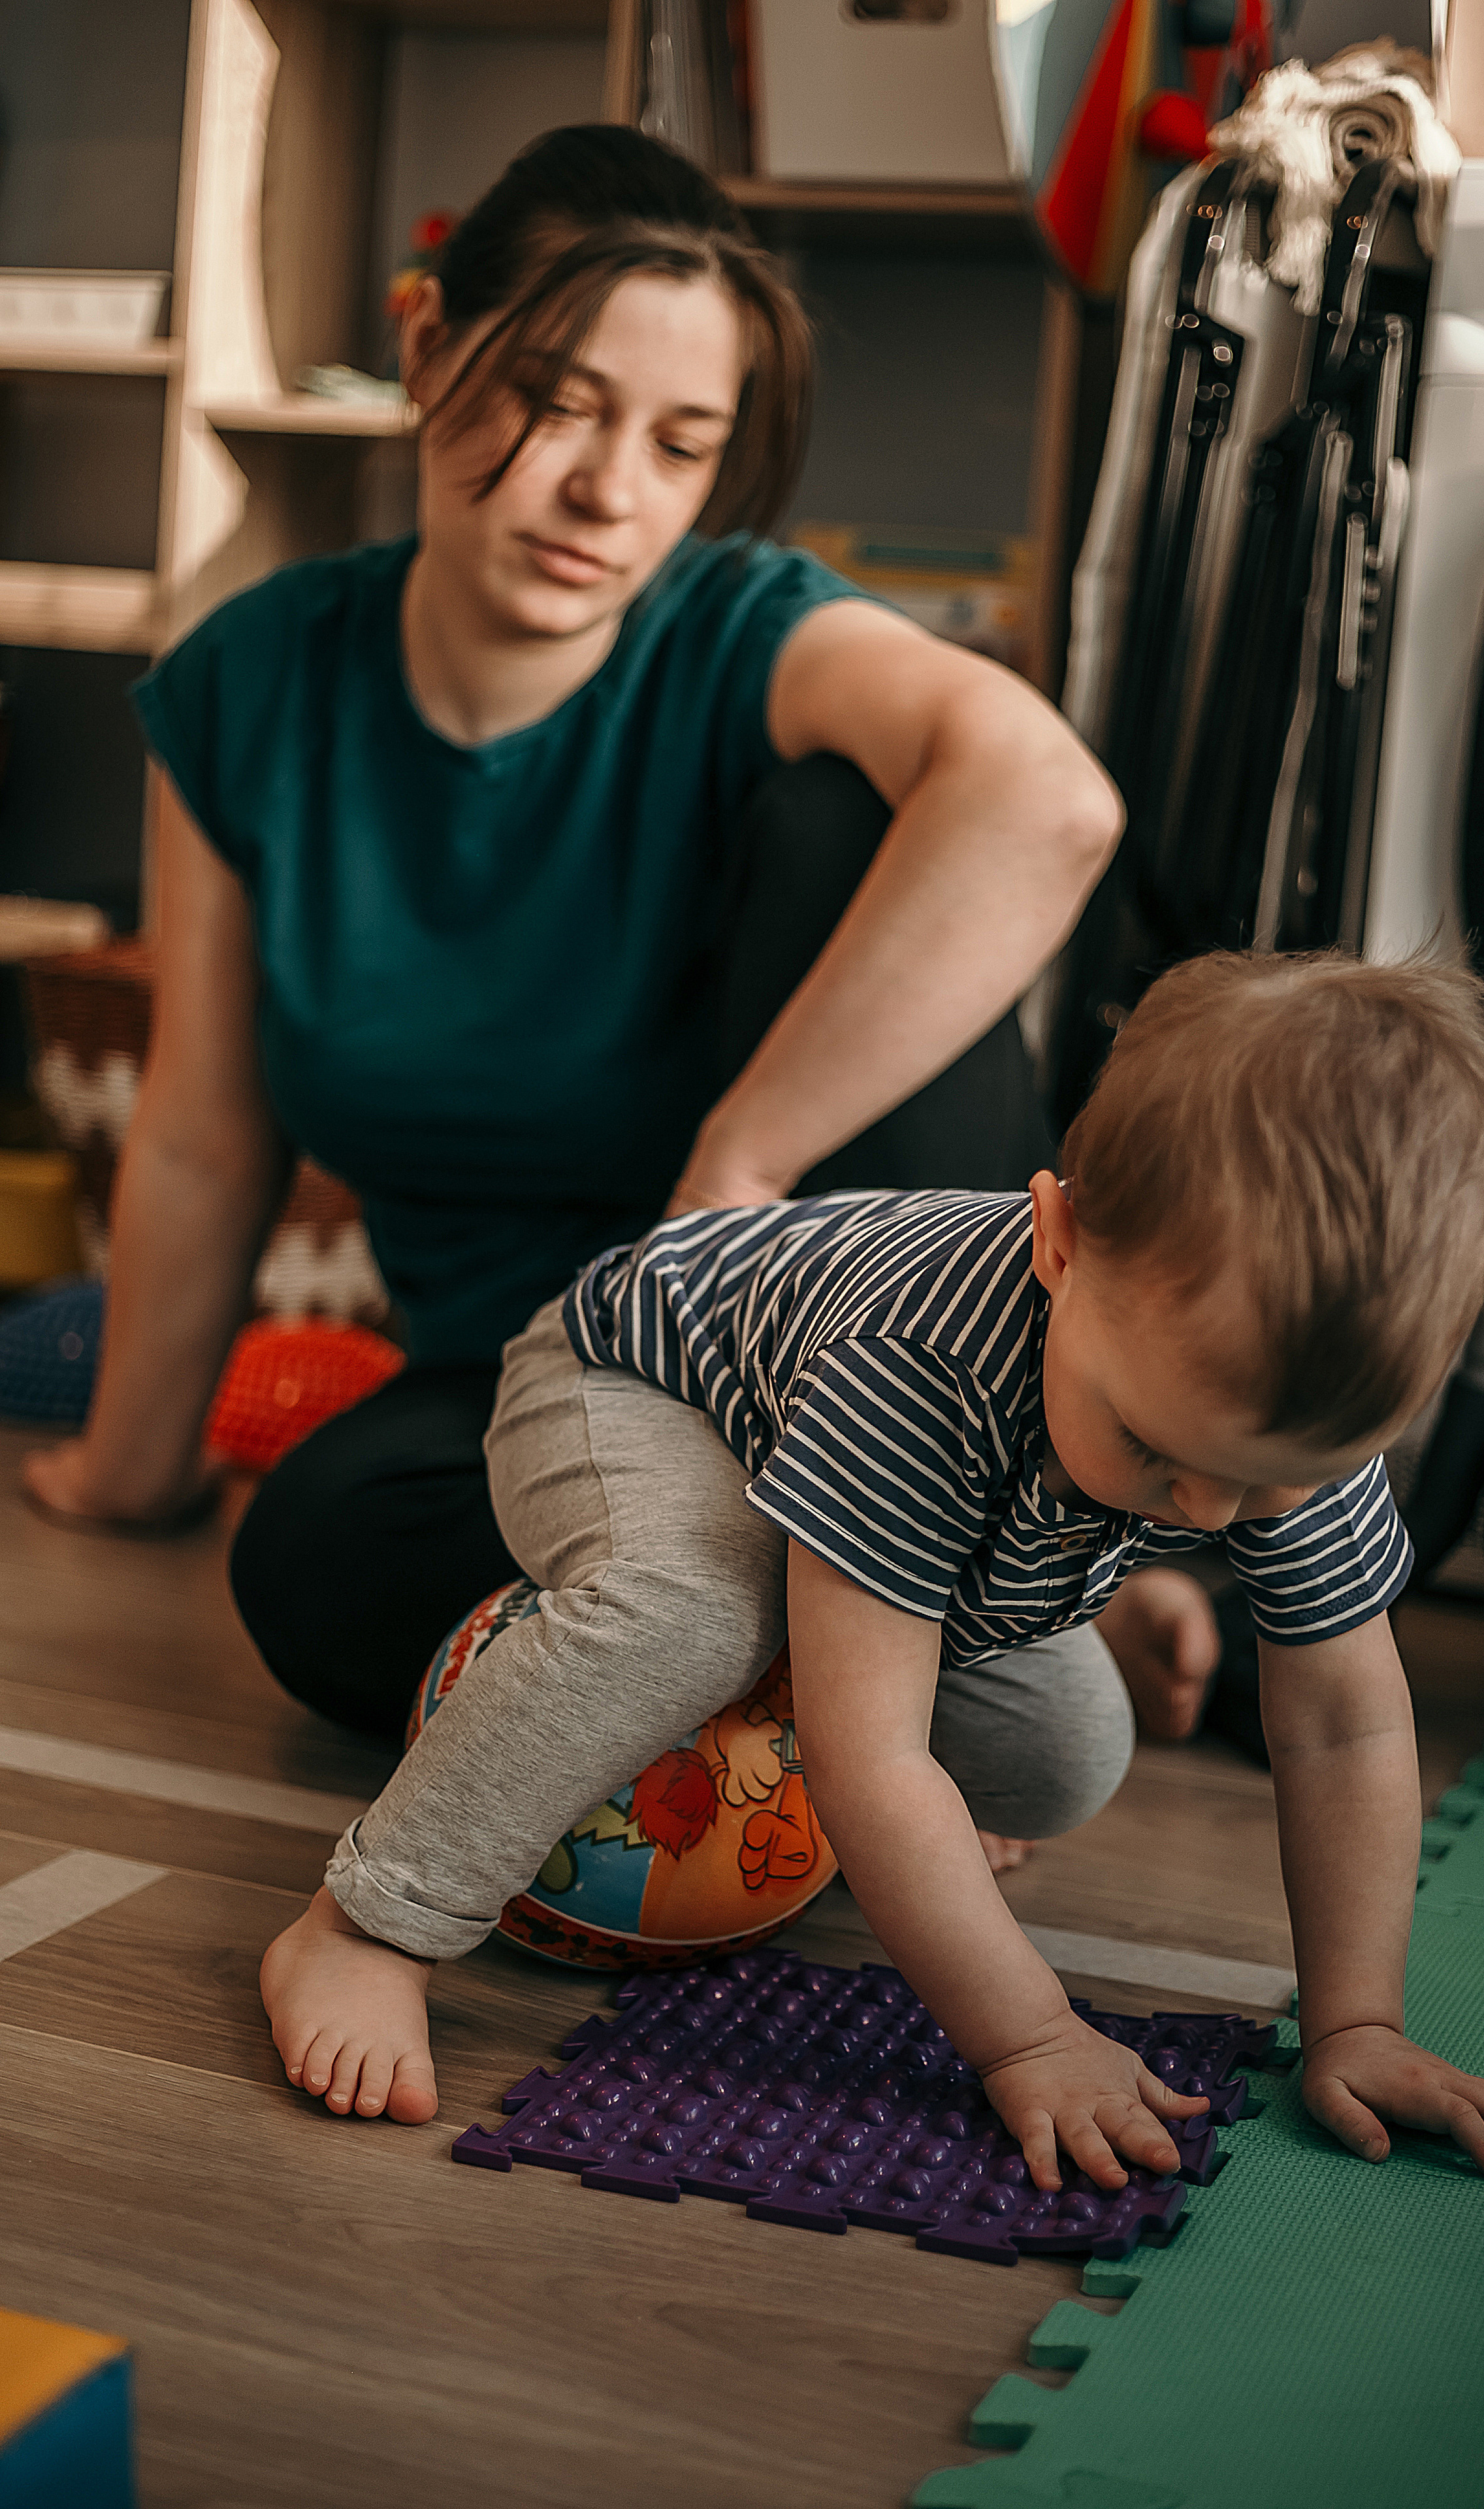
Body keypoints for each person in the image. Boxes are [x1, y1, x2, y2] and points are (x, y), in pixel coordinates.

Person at [20, 125, 1213, 1757]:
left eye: (679, 442)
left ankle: (946, 1561)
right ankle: (919, 1637)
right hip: (543, 1388)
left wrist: (734, 1169)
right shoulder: (252, 684)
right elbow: (207, 1136)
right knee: (309, 1560)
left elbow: (1046, 801)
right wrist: (129, 1467)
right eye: (556, 400)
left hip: (854, 1371)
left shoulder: (736, 628)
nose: (606, 489)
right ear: (427, 337)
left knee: (863, 809)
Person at [260, 950, 1484, 2194]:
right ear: (1057, 1242)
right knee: (698, 1610)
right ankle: (368, 1925)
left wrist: (1356, 2020)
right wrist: (1030, 2037)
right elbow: (863, 1757)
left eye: (1265, 1481)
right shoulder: (920, 1370)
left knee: (1065, 1756)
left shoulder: (1285, 1405)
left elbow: (1344, 1724)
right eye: (1156, 1451)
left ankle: (952, 1600)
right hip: (643, 1382)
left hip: (902, 1483)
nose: (1214, 1510)